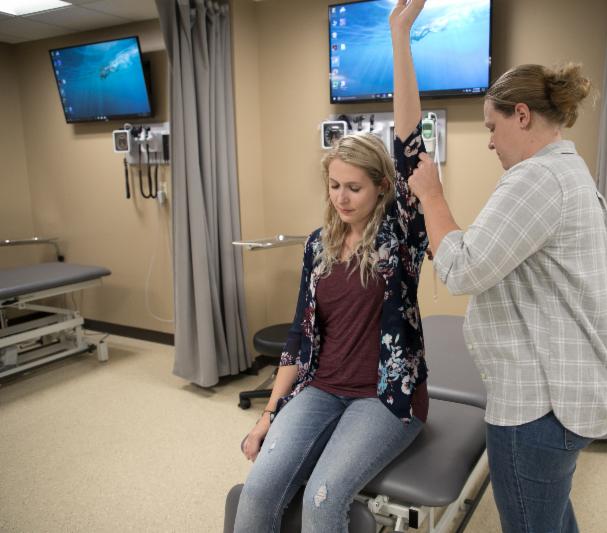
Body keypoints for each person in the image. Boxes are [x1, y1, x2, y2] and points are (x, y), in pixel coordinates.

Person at [232, 2, 431, 532]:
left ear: (382, 187)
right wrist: (268, 416)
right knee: (258, 490)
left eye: (354, 188)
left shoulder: (400, 236)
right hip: (320, 388)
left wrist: (399, 36)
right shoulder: (318, 246)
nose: (341, 198)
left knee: (323, 499)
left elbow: (409, 145)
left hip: (384, 396)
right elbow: (300, 336)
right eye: (335, 185)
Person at [408, 61, 607, 531]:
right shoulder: (568, 170)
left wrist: (432, 196)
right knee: (551, 517)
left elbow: (463, 270)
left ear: (521, 115)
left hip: (538, 406)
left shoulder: (537, 178)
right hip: (565, 392)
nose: (489, 141)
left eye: (492, 126)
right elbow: (503, 258)